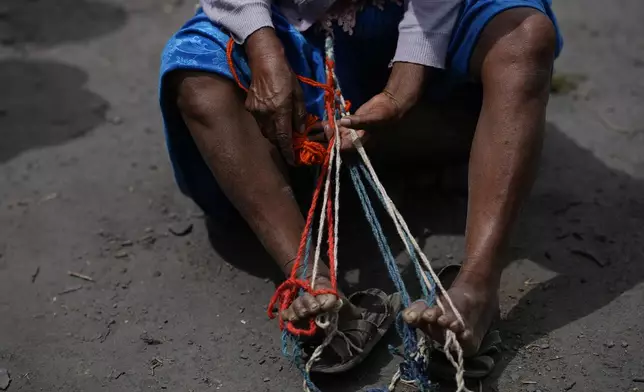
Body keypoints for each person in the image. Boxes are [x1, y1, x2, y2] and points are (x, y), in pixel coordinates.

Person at [159, 0, 563, 373]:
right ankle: (309, 280)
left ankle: (477, 289)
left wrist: (404, 85)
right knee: (197, 75)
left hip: (427, 11)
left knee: (523, 36)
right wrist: (263, 49)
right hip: (287, 14)